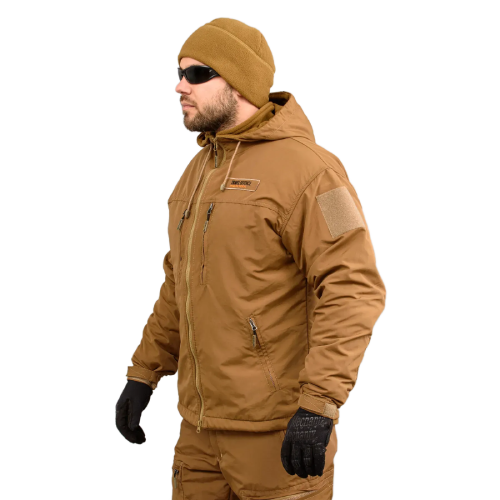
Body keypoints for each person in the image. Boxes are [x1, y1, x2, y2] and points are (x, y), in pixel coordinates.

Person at [115, 16, 387, 499]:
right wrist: (143, 373)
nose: (180, 86)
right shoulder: (197, 172)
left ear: (239, 82)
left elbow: (354, 288)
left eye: (197, 74)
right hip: (198, 434)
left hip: (278, 436)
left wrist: (320, 403)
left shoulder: (313, 172)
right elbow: (178, 284)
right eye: (178, 73)